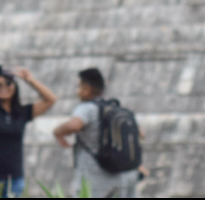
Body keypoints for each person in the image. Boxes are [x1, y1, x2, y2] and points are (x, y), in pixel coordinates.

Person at [53, 68, 140, 198]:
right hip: (124, 174)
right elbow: (140, 133)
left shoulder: (86, 107)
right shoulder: (115, 107)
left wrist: (57, 132)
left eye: (79, 87)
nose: (77, 91)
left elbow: (75, 125)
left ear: (86, 89)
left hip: (95, 175)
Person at [0, 67, 58, 197]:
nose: (3, 87)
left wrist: (30, 80)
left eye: (8, 83)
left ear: (15, 86)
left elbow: (50, 99)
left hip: (14, 179)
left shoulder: (21, 113)